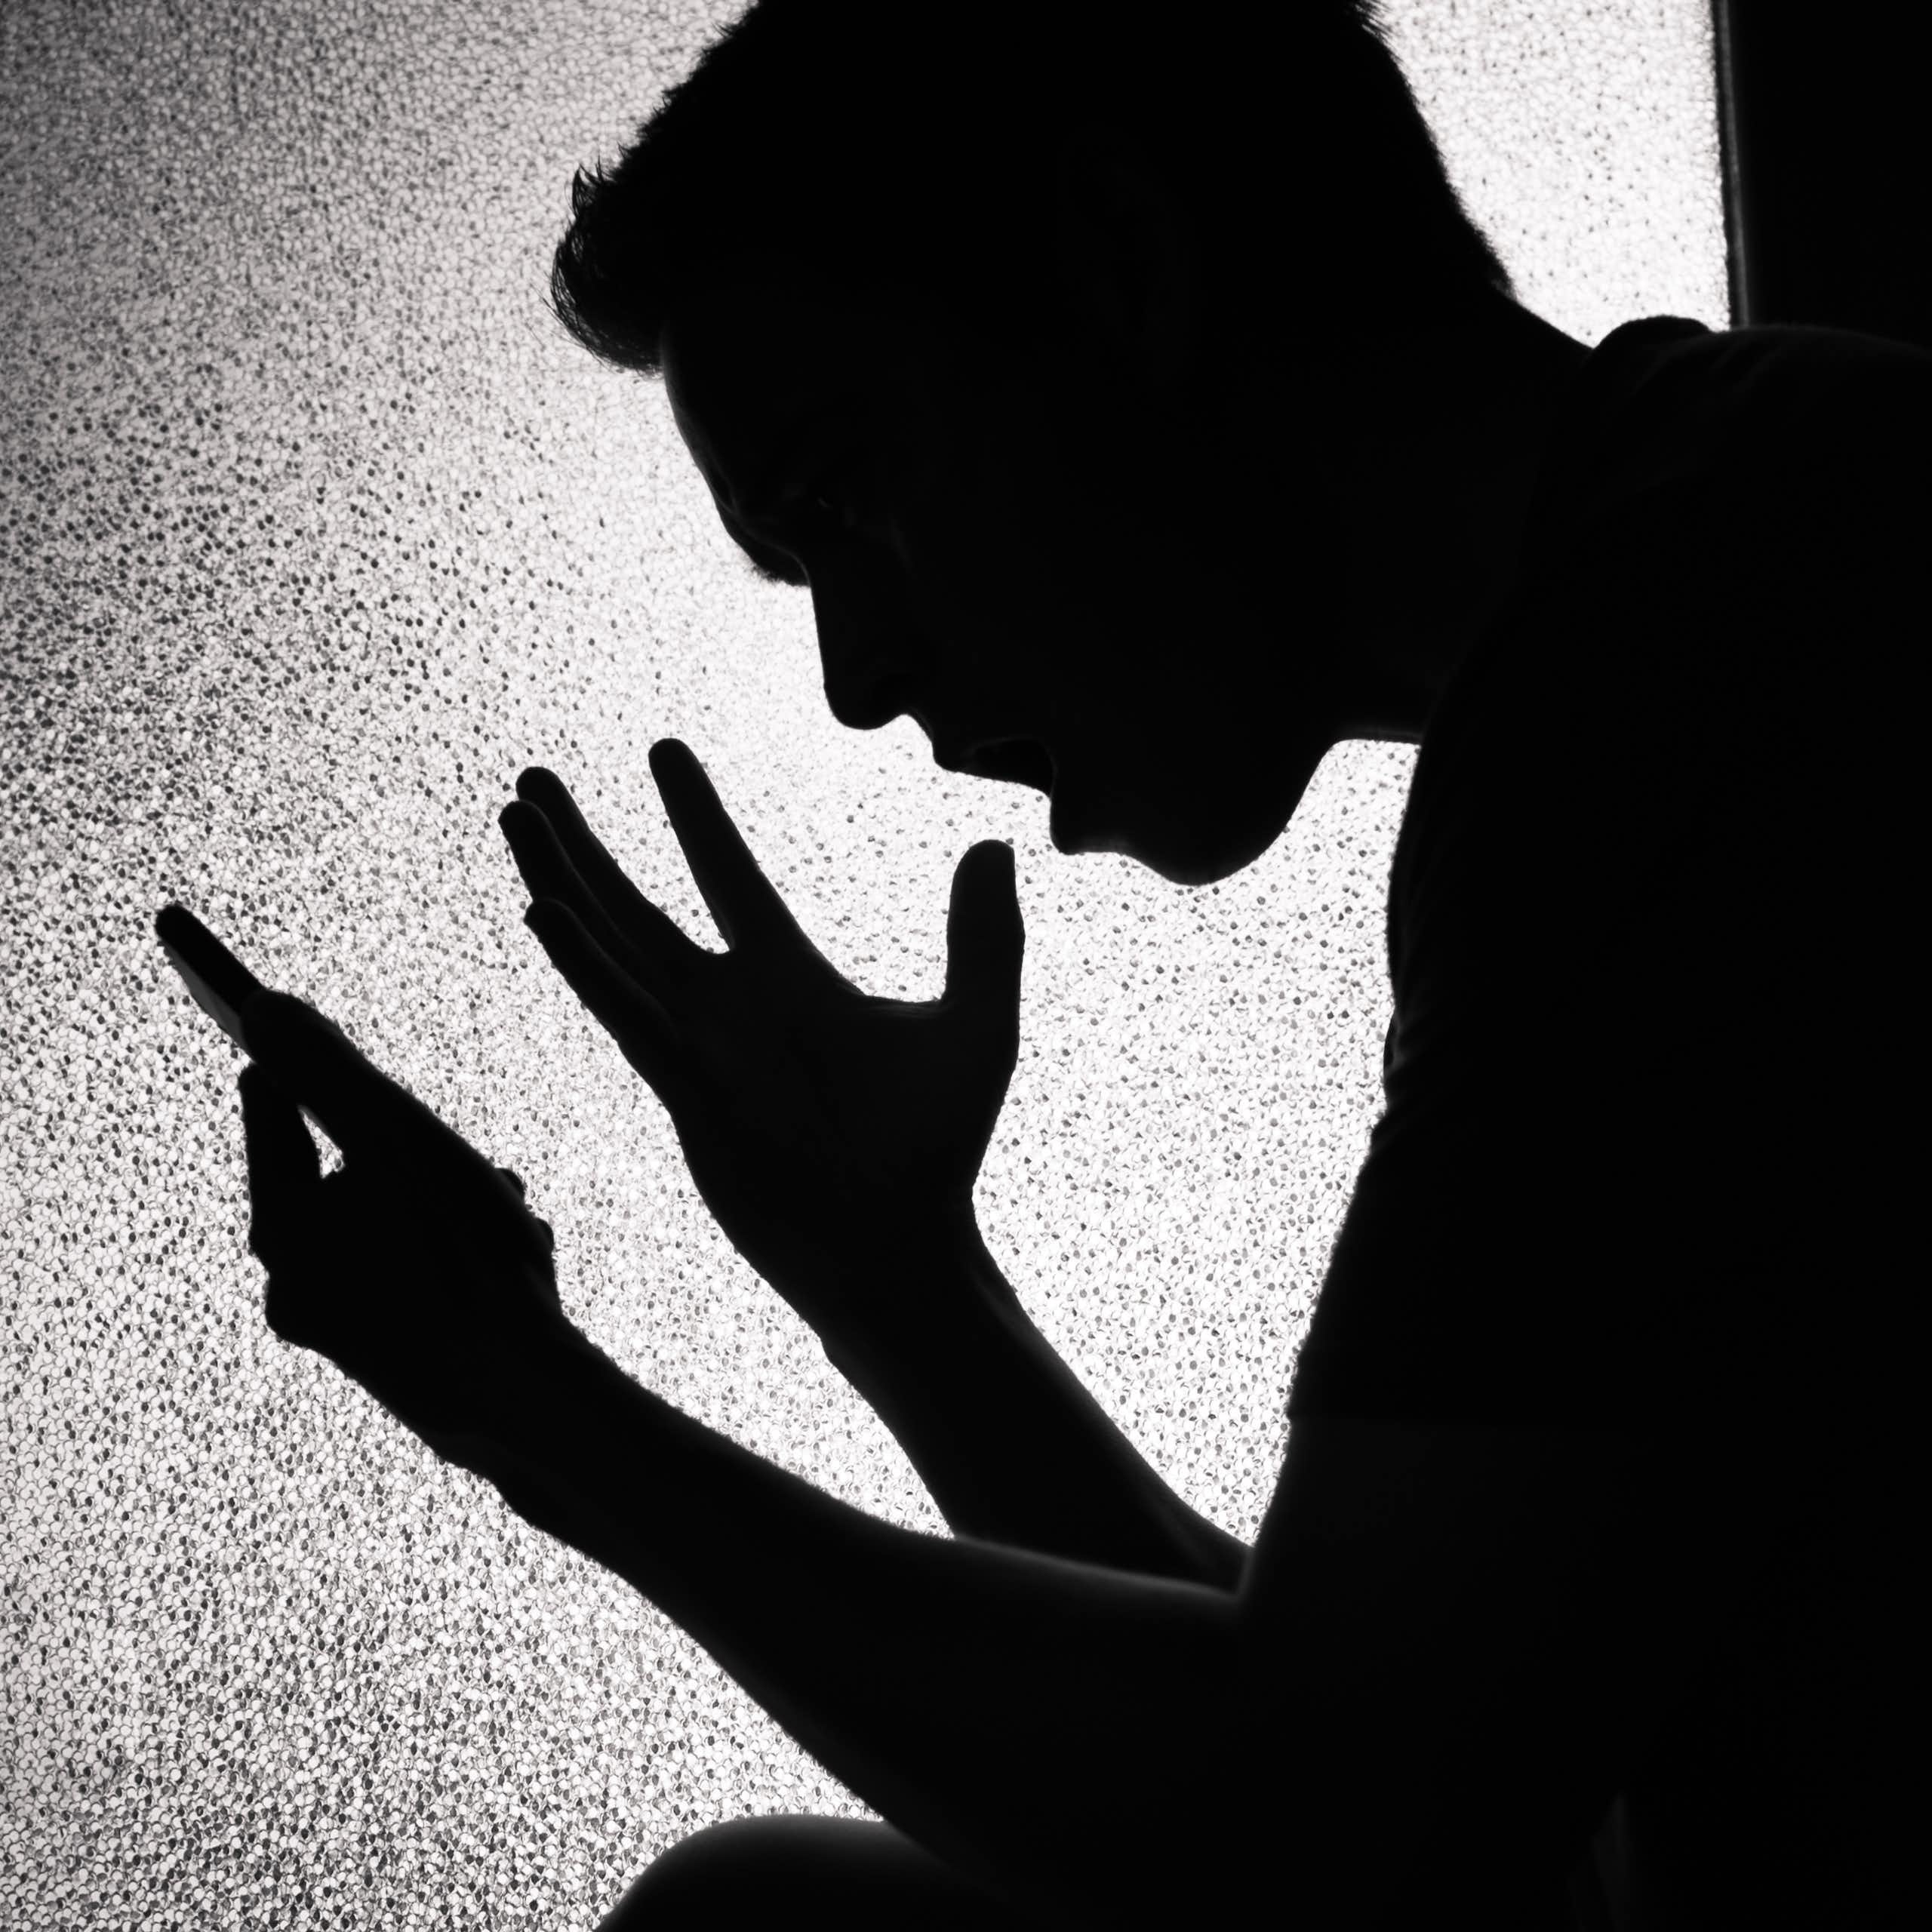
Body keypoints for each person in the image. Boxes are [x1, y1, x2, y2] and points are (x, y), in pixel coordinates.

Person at [226, 2, 1927, 1926]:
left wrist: (528, 1407)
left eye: (844, 497)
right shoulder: (1708, 545)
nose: (858, 678)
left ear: (1125, 272)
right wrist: (899, 1284)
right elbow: (1423, 1737)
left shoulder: (1699, 658)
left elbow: (1344, 1832)